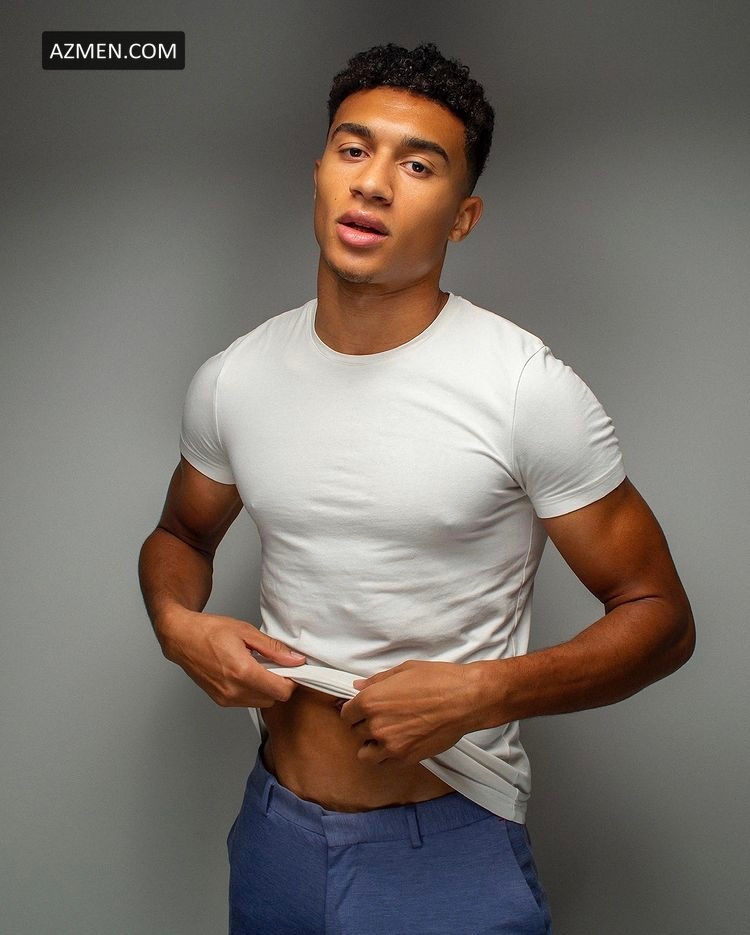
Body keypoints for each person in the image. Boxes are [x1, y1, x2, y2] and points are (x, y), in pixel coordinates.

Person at [139, 43, 694, 934]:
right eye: (353, 149)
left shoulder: (524, 389)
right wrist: (176, 624)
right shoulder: (234, 376)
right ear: (318, 172)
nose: (372, 183)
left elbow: (661, 617)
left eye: (418, 164)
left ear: (463, 217)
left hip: (447, 846)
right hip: (275, 832)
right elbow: (180, 534)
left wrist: (483, 692)